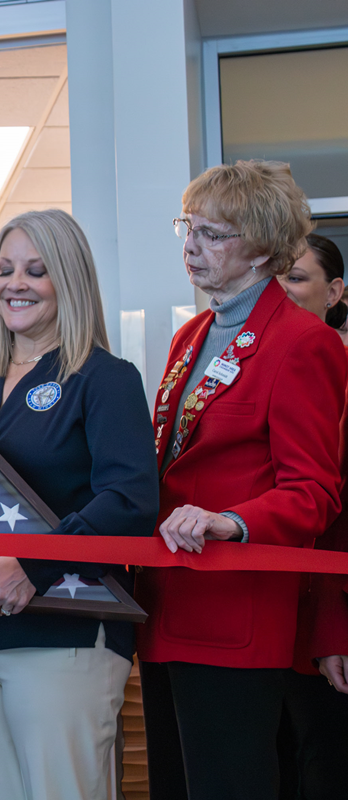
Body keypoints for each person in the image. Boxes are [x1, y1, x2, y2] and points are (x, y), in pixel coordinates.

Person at [0, 209, 159, 800]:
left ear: (70, 279)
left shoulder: (104, 378)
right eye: (5, 270)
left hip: (67, 633)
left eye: (37, 270)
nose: (16, 283)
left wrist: (33, 566)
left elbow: (131, 500)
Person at [136, 161, 346, 800]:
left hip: (235, 609)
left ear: (263, 249)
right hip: (164, 599)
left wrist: (231, 519)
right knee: (172, 785)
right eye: (188, 228)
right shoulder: (190, 335)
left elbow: (315, 490)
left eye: (215, 234)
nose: (191, 247)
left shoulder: (304, 342)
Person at [280, 233, 348, 800]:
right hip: (272, 614)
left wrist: (330, 623)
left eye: (297, 278)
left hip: (329, 621)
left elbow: (331, 516)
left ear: (335, 291)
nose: (281, 291)